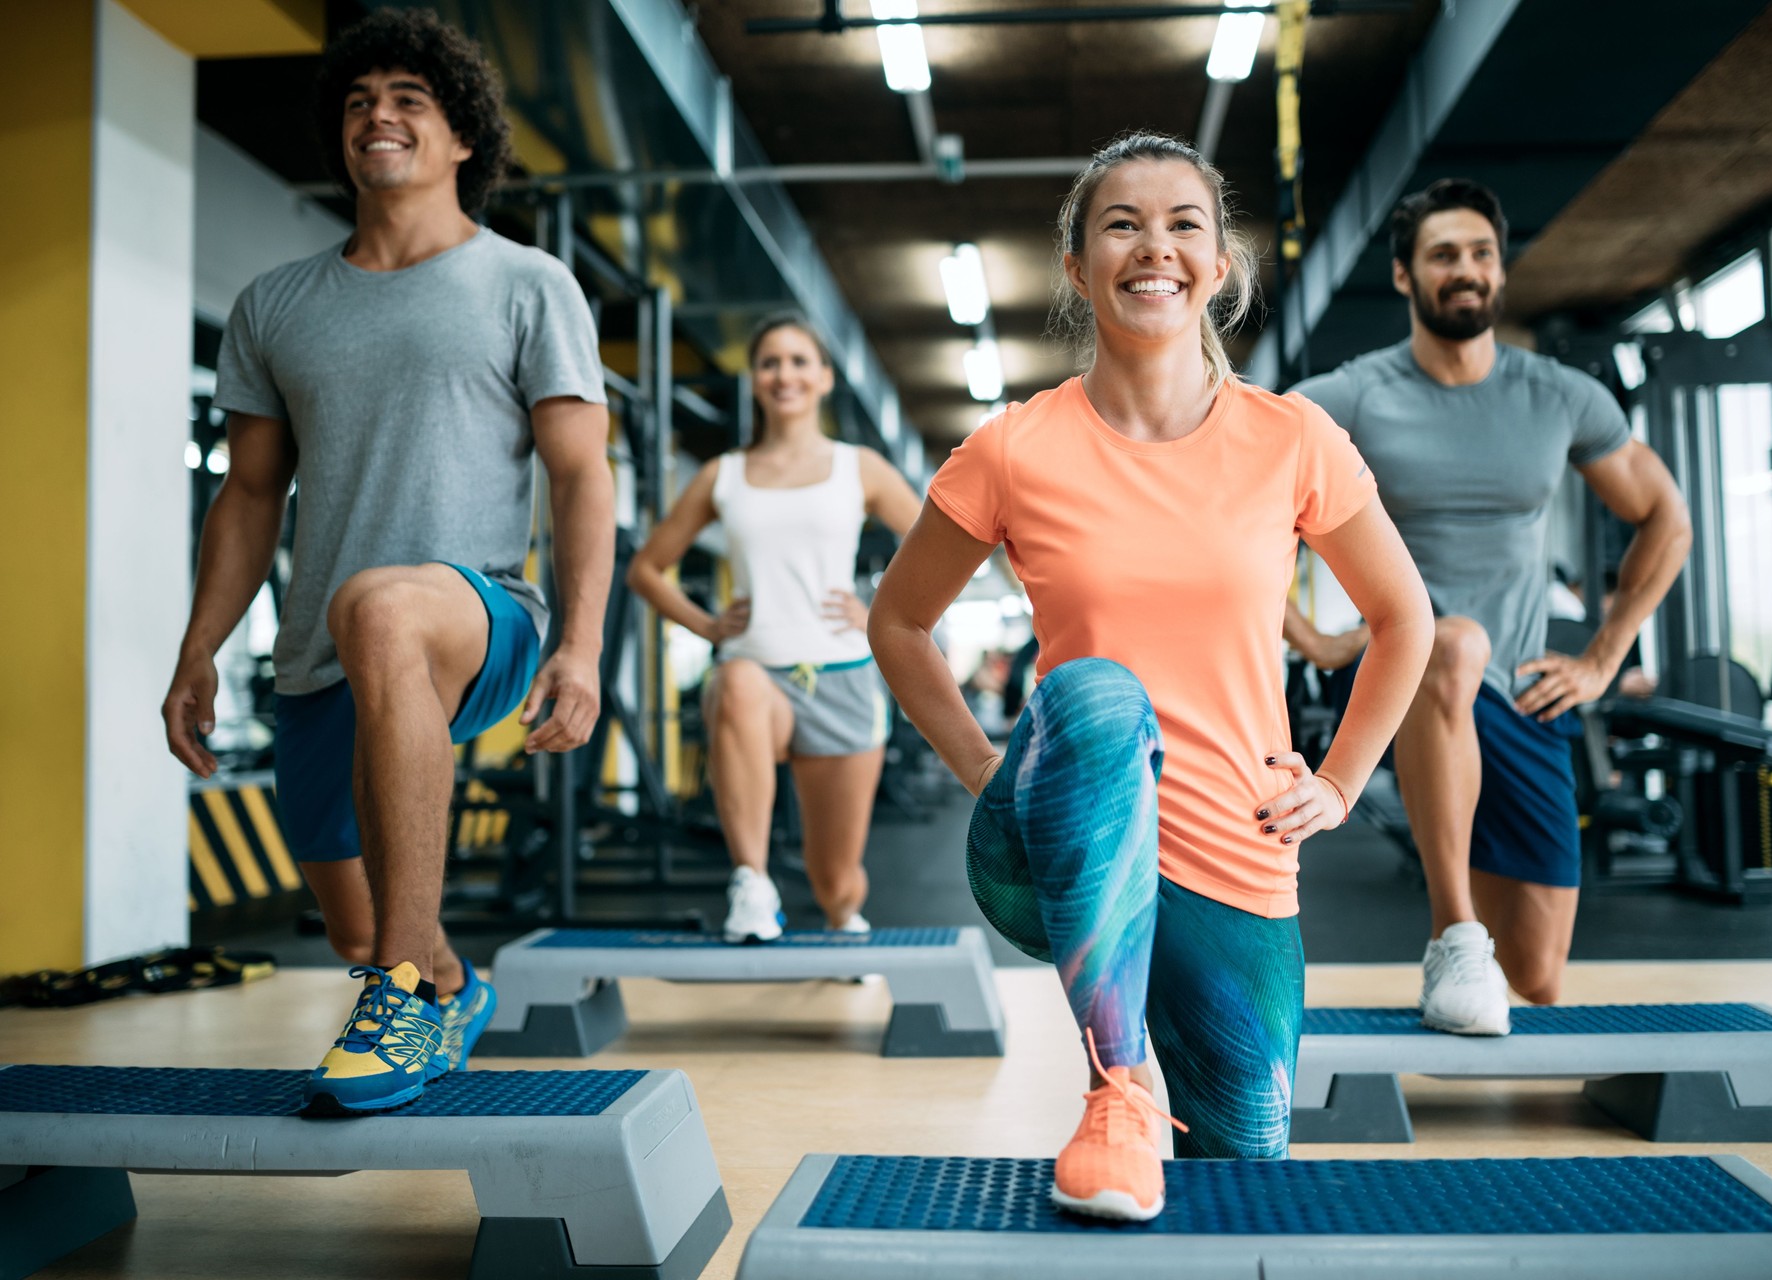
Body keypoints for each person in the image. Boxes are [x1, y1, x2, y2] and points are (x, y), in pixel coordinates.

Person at [868, 133, 1434, 1222]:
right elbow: (900, 621)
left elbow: (1402, 616)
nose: (1154, 246)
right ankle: (1117, 1086)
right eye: (1121, 223)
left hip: (1237, 845)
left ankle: (1155, 1114)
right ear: (1078, 268)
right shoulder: (1013, 448)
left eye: (1184, 224)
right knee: (1097, 692)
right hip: (1063, 839)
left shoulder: (1291, 439)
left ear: (1219, 266)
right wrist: (993, 770)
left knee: (1244, 1171)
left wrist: (1343, 777)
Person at [160, 9, 615, 1114]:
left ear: (463, 138)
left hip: (481, 612)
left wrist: (580, 644)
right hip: (326, 649)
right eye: (361, 98)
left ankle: (408, 981)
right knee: (356, 925)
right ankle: (436, 980)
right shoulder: (276, 305)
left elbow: (580, 475)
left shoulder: (526, 283)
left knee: (386, 607)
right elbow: (251, 494)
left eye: (411, 97)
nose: (381, 112)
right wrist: (198, 651)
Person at [1288, 178, 1691, 1034]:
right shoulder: (1355, 394)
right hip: (1399, 666)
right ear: (1405, 277)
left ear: (1500, 270)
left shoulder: (1558, 396)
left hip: (1520, 686)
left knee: (1539, 976)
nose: (1465, 270)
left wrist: (1603, 657)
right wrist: (1315, 640)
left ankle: (1479, 946)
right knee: (1450, 641)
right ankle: (1452, 933)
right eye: (1442, 256)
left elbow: (1665, 517)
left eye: (1480, 254)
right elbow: (1239, 495)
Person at [627, 315, 922, 941]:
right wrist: (709, 626)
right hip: (756, 671)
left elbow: (939, 541)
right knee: (733, 680)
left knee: (835, 880)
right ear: (755, 380)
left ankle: (844, 919)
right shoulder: (722, 476)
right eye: (769, 363)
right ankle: (753, 884)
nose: (783, 374)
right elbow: (647, 570)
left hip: (842, 678)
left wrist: (878, 608)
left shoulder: (858, 467)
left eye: (797, 361)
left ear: (823, 378)